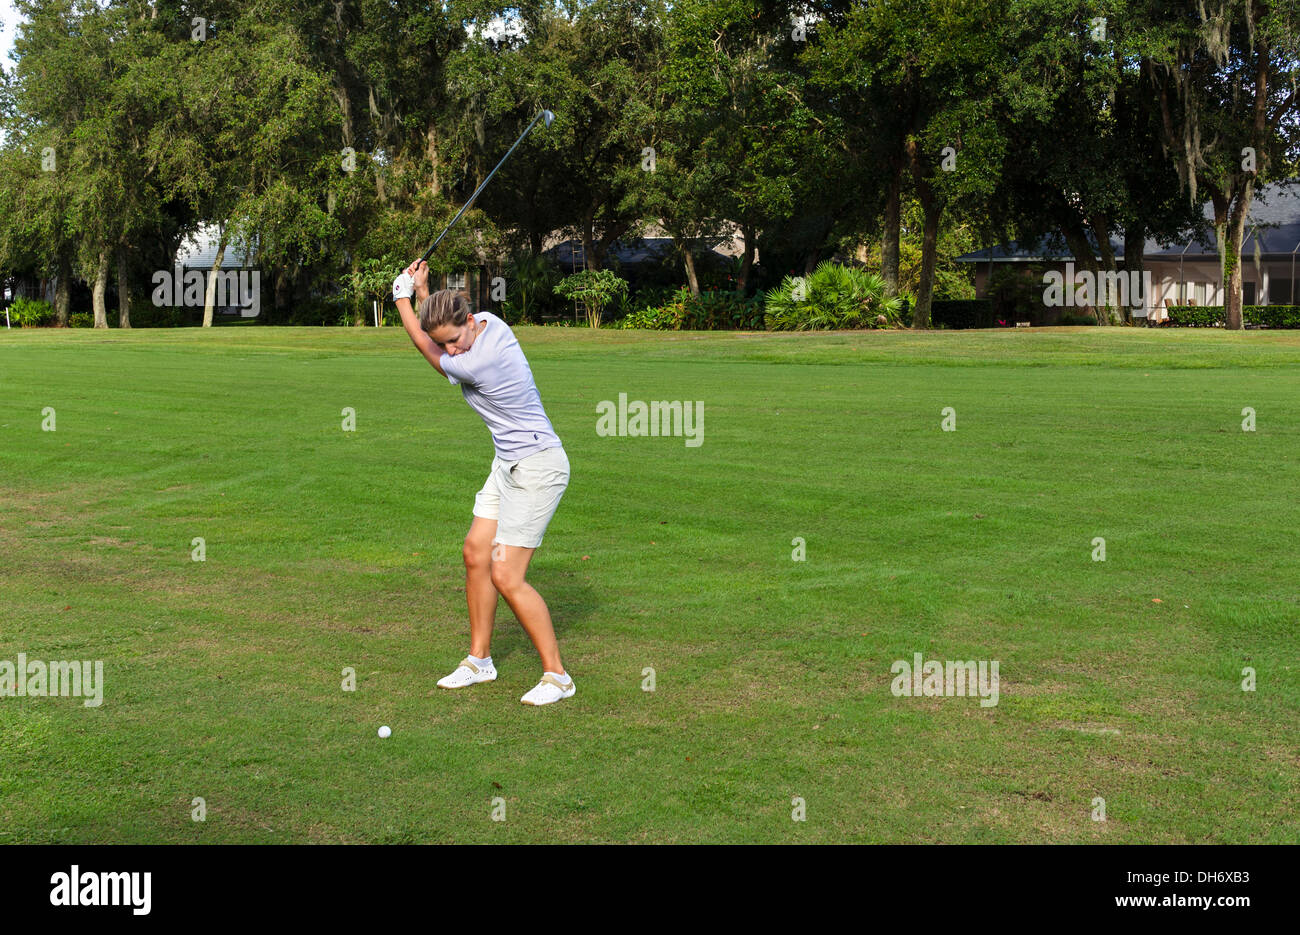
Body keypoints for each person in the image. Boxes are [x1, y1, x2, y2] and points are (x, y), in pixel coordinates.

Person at [392, 260, 574, 706]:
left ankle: (558, 677)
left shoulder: (485, 359)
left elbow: (426, 348)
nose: (452, 351)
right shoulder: (488, 323)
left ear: (470, 323)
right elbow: (437, 330)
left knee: (506, 575)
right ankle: (480, 661)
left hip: (537, 467)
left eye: (455, 341)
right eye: (447, 343)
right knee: (476, 552)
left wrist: (400, 299)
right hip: (507, 462)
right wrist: (422, 290)